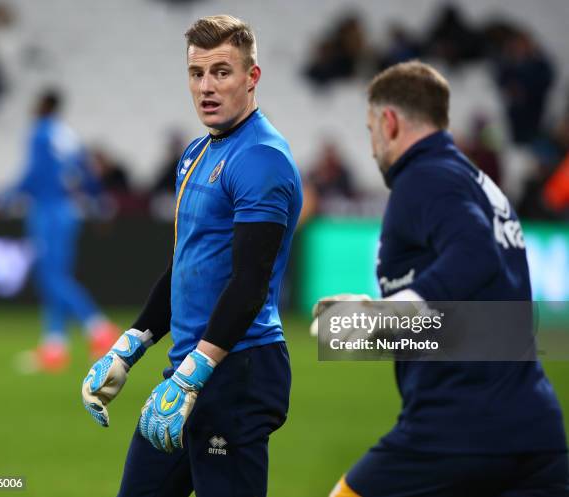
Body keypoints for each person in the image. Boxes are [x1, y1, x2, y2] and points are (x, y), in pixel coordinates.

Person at [316, 61, 568, 496]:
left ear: (389, 122)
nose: (372, 147)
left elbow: (474, 256)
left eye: (371, 129)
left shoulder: (424, 178)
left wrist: (382, 316)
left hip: (458, 428)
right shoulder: (477, 182)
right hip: (534, 430)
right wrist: (369, 323)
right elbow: (469, 322)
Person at [81, 15, 302, 497]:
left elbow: (249, 286)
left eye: (221, 72)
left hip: (236, 372)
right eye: (196, 73)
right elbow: (183, 268)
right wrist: (130, 346)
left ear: (252, 77)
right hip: (189, 371)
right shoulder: (196, 152)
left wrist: (192, 378)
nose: (206, 86)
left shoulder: (262, 159)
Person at [0, 89, 120, 372]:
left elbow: (34, 174)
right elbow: (87, 175)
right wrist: (98, 203)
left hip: (47, 211)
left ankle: (99, 329)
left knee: (51, 277)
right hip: (69, 212)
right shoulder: (67, 136)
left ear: (43, 105)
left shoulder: (40, 133)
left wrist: (4, 199)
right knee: (55, 276)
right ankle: (55, 347)